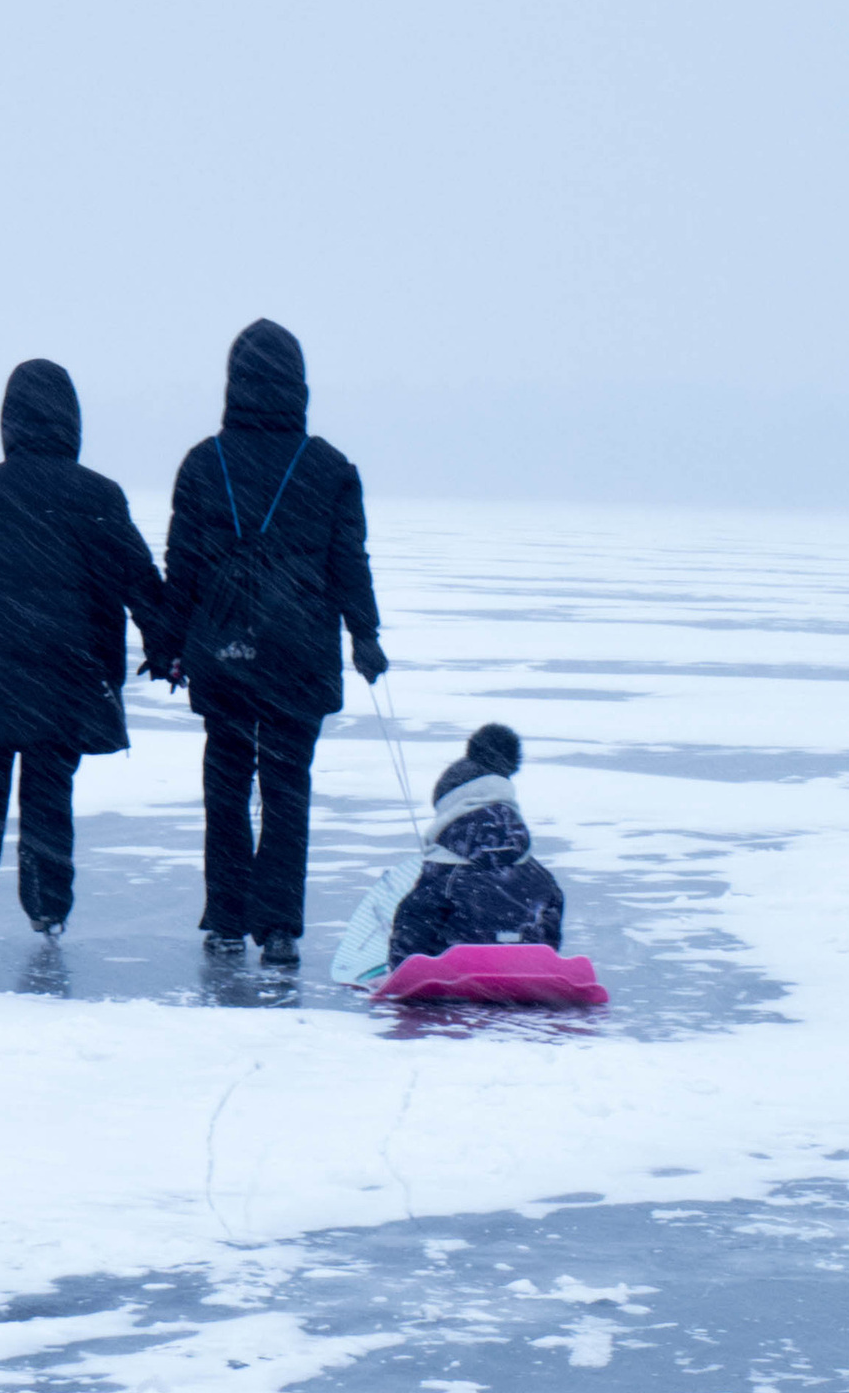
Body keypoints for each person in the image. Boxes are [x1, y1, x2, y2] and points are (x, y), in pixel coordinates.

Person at [157, 319, 385, 969]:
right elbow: (349, 561)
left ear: (234, 382)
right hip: (299, 654)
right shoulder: (329, 467)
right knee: (288, 790)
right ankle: (280, 927)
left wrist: (170, 642)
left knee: (226, 785)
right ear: (299, 384)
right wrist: (364, 634)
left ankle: (227, 920)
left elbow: (182, 565)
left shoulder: (204, 462)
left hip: (224, 651)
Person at [0, 359, 165, 939]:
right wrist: (167, 645)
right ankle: (48, 909)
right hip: (67, 672)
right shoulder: (97, 494)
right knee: (50, 796)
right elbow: (139, 579)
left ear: (9, 420)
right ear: (70, 419)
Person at [386, 723, 565, 966]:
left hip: (459, 969)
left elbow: (413, 925)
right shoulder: (538, 874)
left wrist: (400, 968)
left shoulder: (445, 870)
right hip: (523, 966)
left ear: (450, 810)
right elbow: (551, 922)